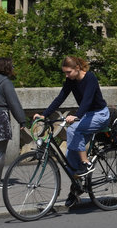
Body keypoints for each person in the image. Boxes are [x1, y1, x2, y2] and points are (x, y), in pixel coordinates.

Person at [38, 55, 110, 207]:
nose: (66, 75)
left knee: (73, 130)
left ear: (77, 68)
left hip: (99, 114)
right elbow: (60, 97)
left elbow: (87, 101)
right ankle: (76, 189)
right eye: (64, 72)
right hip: (87, 116)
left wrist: (76, 116)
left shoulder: (90, 78)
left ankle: (86, 163)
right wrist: (44, 114)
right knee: (70, 155)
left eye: (68, 72)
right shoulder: (70, 81)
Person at [0, 57, 27, 190]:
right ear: (7, 68)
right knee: (1, 151)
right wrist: (22, 120)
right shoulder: (6, 83)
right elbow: (14, 103)